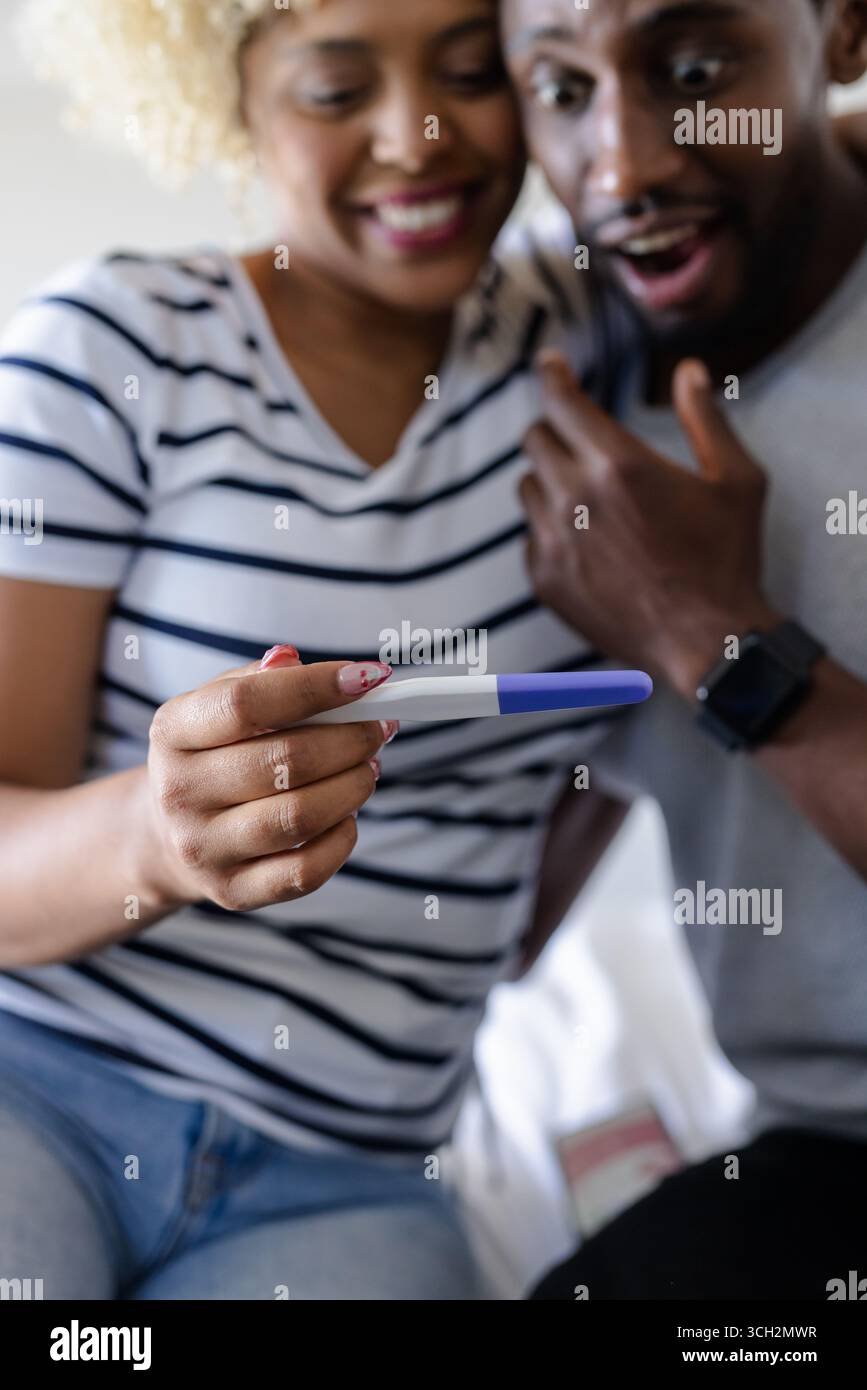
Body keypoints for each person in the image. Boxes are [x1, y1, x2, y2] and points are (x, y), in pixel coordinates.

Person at [0, 0, 621, 1301]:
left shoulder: (610, 338)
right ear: (228, 97)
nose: (420, 136)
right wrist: (160, 841)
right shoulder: (119, 349)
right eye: (339, 92)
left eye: (469, 70)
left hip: (353, 1170)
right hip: (36, 1087)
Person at [498, 0, 867, 1298]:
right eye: (558, 86)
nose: (626, 162)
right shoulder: (558, 389)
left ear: (846, 32)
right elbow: (513, 890)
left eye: (697, 68)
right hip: (828, 1153)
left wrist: (710, 633)